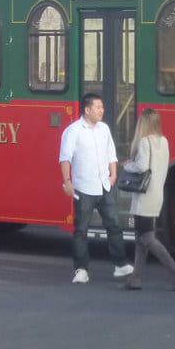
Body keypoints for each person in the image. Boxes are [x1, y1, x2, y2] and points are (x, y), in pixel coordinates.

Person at [59, 92, 134, 283]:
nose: (102, 110)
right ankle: (81, 269)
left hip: (104, 185)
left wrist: (113, 175)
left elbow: (111, 154)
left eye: (102, 107)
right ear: (87, 110)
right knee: (81, 230)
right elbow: (65, 158)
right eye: (98, 107)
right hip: (84, 187)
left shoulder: (104, 129)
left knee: (114, 226)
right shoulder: (73, 131)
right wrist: (67, 181)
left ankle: (120, 265)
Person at [121, 108, 175, 291]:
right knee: (141, 238)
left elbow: (142, 167)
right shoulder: (163, 141)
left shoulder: (144, 142)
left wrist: (128, 165)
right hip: (157, 192)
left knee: (147, 237)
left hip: (145, 195)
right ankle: (136, 278)